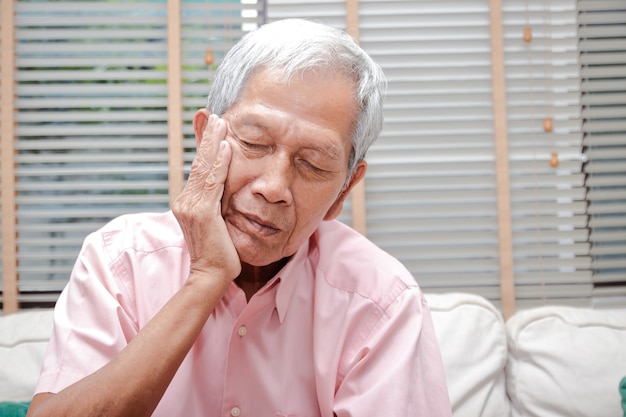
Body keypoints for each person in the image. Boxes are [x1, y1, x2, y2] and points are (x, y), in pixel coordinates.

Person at [27, 18, 451, 417]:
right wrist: (206, 278)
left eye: (313, 164)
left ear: (344, 190)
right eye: (254, 142)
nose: (273, 186)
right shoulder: (119, 260)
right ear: (204, 139)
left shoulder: (383, 301)